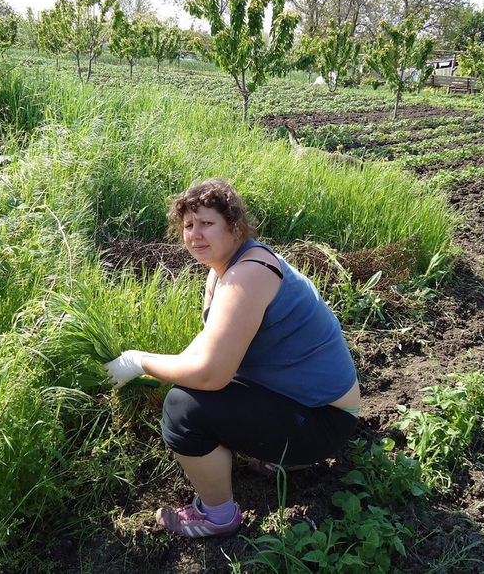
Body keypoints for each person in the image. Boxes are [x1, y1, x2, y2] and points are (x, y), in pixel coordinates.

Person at [103, 178, 361, 539]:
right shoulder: (227, 269)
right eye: (188, 225)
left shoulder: (249, 274)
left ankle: (217, 517)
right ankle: (283, 456)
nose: (195, 234)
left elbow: (211, 374)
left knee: (183, 409)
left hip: (325, 421)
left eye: (206, 223)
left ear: (235, 227)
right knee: (186, 385)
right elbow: (208, 346)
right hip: (307, 405)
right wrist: (167, 367)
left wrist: (140, 361)